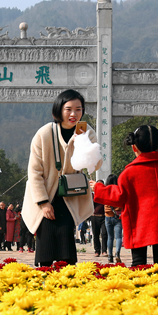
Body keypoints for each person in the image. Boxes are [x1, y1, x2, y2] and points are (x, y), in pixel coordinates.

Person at [91, 125, 158, 269]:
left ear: (134, 147)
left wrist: (98, 188)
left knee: (138, 264)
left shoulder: (129, 173)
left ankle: (139, 290)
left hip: (139, 222)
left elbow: (119, 196)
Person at [23, 89, 101, 267]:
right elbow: (34, 171)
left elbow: (95, 166)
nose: (74, 114)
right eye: (69, 109)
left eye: (78, 109)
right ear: (59, 109)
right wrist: (43, 203)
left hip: (70, 196)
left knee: (67, 249)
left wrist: (85, 147)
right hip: (46, 196)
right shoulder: (43, 134)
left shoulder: (86, 132)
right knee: (46, 249)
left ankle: (68, 286)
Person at [103, 174, 123, 263]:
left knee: (110, 237)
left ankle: (110, 256)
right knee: (118, 237)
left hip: (108, 216)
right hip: (117, 216)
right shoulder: (119, 190)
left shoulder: (105, 191)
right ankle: (117, 254)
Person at [91, 180, 106, 257]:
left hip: (104, 216)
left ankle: (104, 251)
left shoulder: (105, 195)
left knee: (104, 234)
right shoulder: (93, 195)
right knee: (95, 235)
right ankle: (97, 251)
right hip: (94, 216)